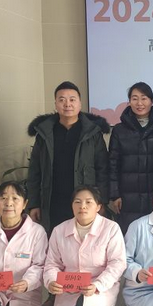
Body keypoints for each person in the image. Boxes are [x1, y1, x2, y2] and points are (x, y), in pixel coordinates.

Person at [43, 186, 126, 306]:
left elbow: (117, 263)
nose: (83, 206)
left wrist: (98, 285)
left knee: (88, 302)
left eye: (89, 202)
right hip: (69, 287)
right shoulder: (59, 230)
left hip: (98, 285)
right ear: (72, 206)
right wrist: (51, 281)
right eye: (78, 202)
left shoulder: (111, 228)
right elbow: (52, 264)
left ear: (98, 207)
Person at [27, 81, 110, 233]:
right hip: (53, 201)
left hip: (84, 203)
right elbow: (34, 171)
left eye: (72, 99)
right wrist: (34, 204)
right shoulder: (45, 134)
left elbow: (103, 169)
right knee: (55, 240)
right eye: (62, 100)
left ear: (80, 103)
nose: (67, 104)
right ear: (55, 104)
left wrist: (102, 201)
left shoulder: (93, 134)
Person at [108, 81, 153, 234]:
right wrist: (114, 195)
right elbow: (113, 164)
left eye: (144, 98)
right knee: (129, 236)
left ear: (151, 101)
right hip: (127, 197)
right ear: (129, 101)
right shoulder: (119, 130)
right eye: (134, 98)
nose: (139, 103)